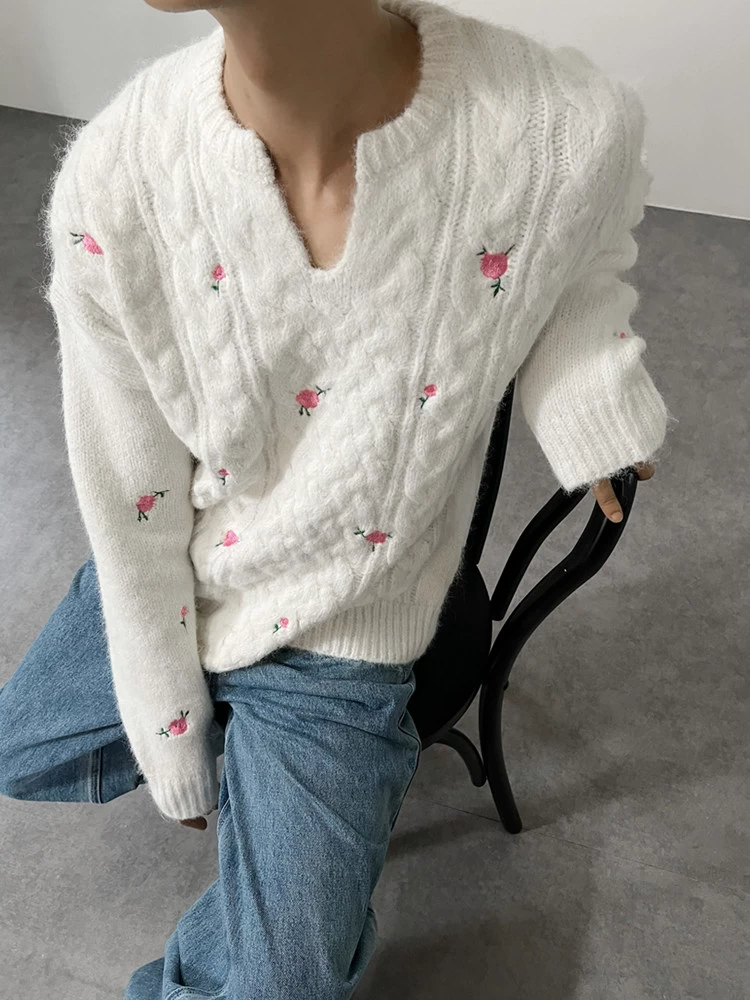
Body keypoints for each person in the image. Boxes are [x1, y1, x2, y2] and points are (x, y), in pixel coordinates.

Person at [0, 0, 674, 996]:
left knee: (281, 979)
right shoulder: (115, 180)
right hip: (194, 557)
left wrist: (593, 400)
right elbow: (131, 487)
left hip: (354, 621)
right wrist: (170, 717)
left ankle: (281, 852)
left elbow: (575, 258)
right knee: (19, 748)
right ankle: (266, 795)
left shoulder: (558, 127)